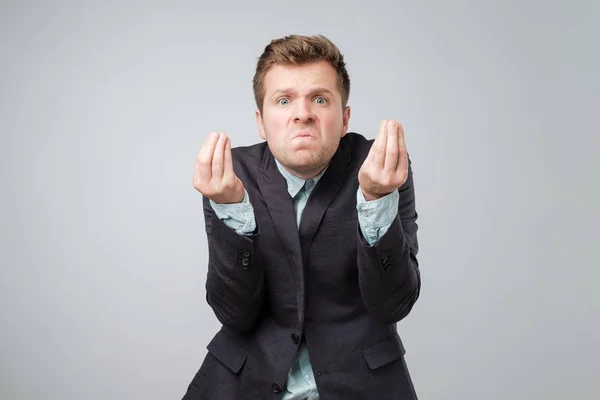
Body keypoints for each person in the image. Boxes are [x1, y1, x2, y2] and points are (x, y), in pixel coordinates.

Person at [184, 34, 421, 400]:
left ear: (344, 119)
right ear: (262, 123)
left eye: (320, 99)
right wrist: (231, 210)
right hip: (243, 384)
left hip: (361, 385)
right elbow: (235, 314)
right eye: (283, 100)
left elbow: (393, 304)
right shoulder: (231, 176)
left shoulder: (381, 169)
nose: (303, 113)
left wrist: (377, 198)